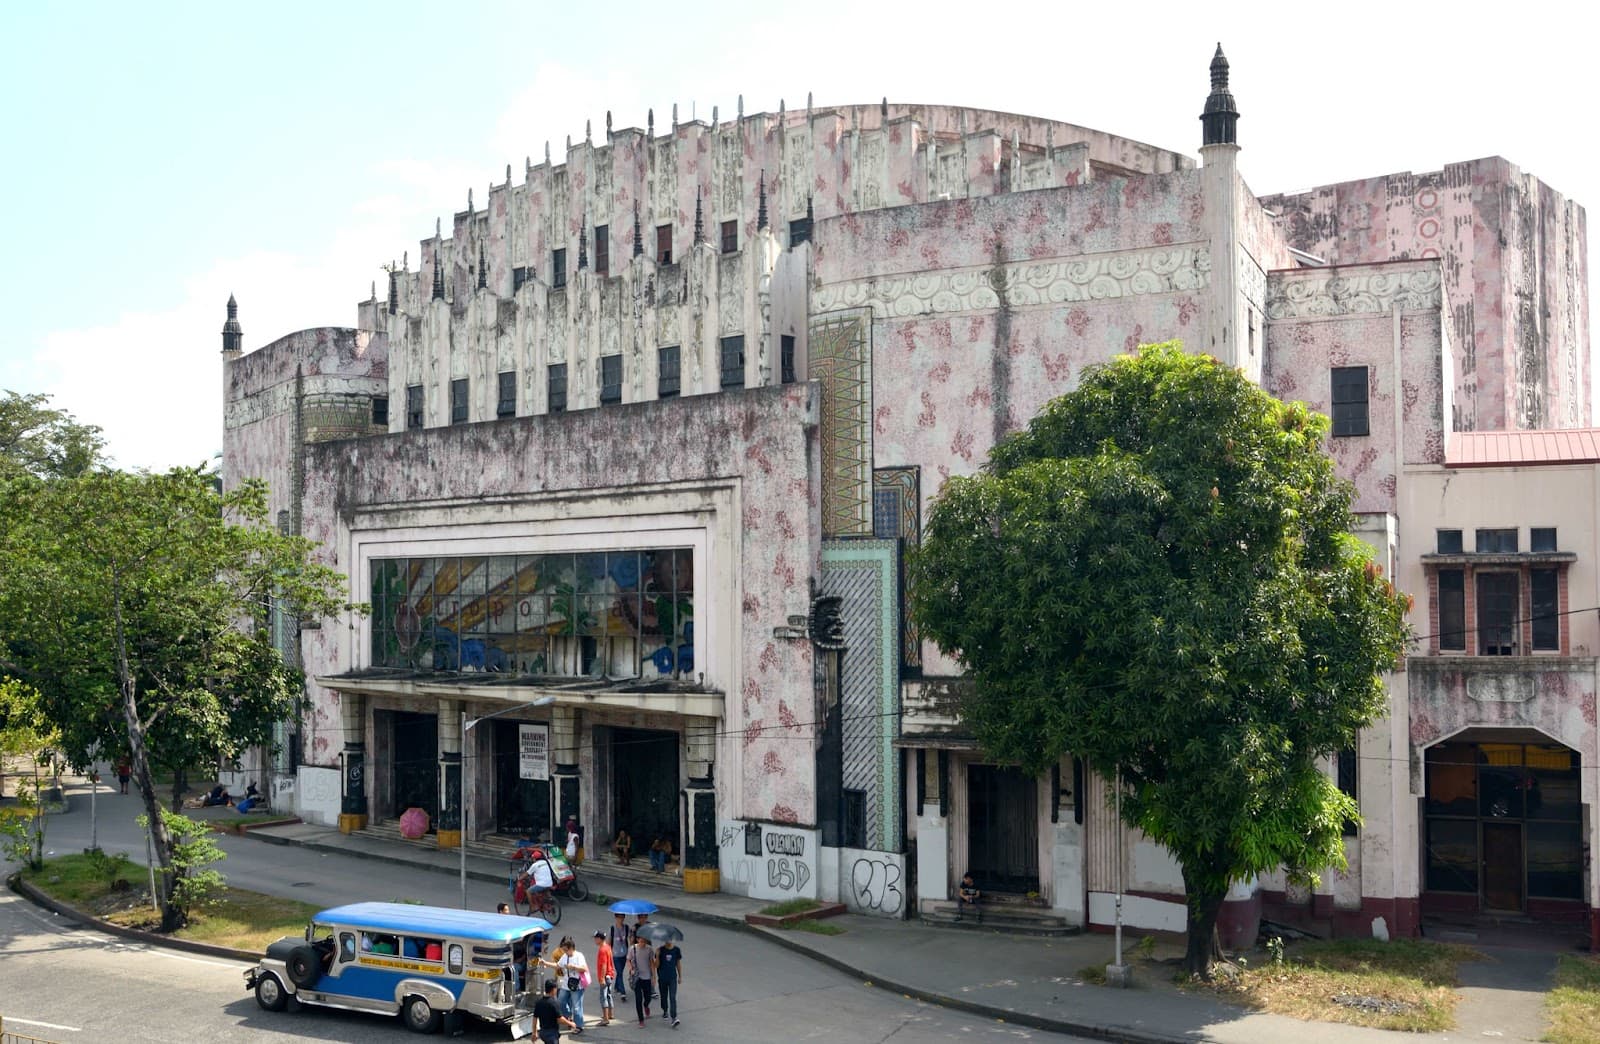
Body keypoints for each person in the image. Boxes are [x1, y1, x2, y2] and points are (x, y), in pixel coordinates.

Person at [552, 935, 588, 1032]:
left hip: (577, 986)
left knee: (577, 1007)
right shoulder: (565, 956)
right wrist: (545, 963)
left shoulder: (579, 956)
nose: (564, 952)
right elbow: (557, 965)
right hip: (566, 984)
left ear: (571, 948)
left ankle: (579, 1026)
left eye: (566, 950)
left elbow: (584, 969)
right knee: (560, 1001)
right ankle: (568, 1015)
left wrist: (574, 967)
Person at [532, 978, 576, 1044]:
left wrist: (534, 1032)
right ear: (553, 989)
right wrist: (570, 1023)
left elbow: (535, 1018)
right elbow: (560, 1019)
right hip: (552, 1034)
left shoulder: (539, 1002)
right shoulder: (554, 1003)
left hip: (543, 1032)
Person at [627, 934, 656, 1027]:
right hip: (637, 977)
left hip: (647, 977)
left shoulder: (649, 949)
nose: (643, 943)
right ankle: (641, 1020)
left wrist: (654, 977)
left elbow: (652, 963)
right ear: (637, 939)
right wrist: (631, 969)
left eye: (644, 941)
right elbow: (628, 960)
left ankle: (646, 1005)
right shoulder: (632, 949)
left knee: (648, 997)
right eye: (641, 941)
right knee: (638, 999)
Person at [656, 937, 683, 1028]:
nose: (669, 941)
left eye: (671, 939)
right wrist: (657, 955)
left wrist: (680, 976)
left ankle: (674, 1017)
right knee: (664, 996)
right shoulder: (660, 950)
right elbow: (656, 965)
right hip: (662, 978)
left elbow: (678, 964)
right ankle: (665, 1010)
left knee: (672, 997)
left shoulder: (676, 950)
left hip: (672, 978)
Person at [607, 912, 632, 1004]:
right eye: (619, 917)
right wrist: (608, 954)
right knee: (620, 972)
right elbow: (608, 943)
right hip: (615, 955)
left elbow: (630, 940)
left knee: (620, 972)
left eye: (622, 917)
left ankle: (617, 987)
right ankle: (623, 992)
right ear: (616, 917)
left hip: (624, 954)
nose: (621, 919)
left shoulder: (626, 928)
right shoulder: (612, 929)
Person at [592, 930, 615, 1027]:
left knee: (603, 997)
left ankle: (605, 1019)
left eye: (595, 938)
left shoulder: (602, 950)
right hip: (610, 975)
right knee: (609, 995)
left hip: (605, 976)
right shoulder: (608, 947)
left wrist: (601, 978)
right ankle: (610, 1014)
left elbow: (604, 965)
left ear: (599, 939)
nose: (594, 940)